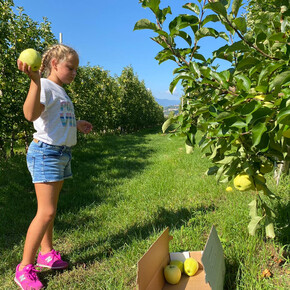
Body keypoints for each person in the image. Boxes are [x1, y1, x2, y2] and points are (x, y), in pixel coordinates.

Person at [15, 44, 93, 289]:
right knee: (46, 212)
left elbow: (55, 120)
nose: (74, 73)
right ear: (54, 64)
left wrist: (76, 123)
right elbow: (31, 114)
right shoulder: (46, 85)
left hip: (61, 154)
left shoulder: (60, 90)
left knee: (51, 209)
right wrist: (35, 81)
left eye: (76, 69)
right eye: (70, 67)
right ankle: (24, 268)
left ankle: (46, 253)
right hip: (46, 153)